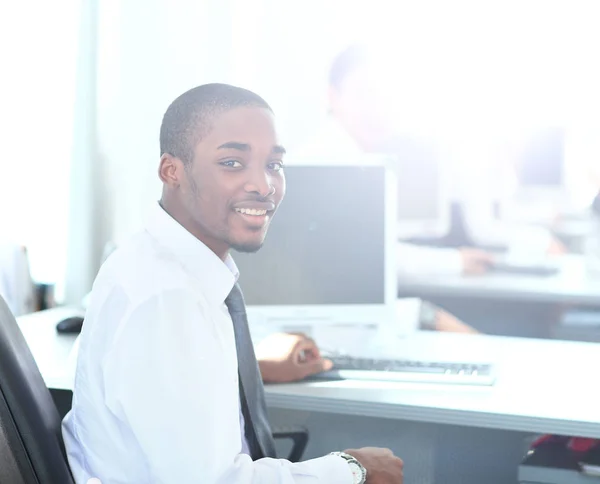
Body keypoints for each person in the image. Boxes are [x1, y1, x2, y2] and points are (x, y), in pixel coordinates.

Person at [62, 83, 404, 483]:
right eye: (232, 163)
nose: (263, 185)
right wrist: (350, 468)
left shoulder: (156, 264)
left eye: (273, 165)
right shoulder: (168, 298)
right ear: (171, 170)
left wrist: (246, 368)